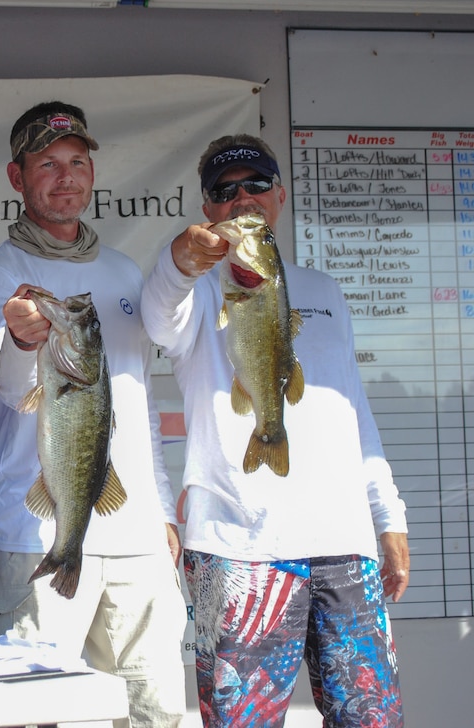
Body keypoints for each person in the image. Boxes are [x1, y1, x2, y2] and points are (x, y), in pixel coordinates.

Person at [140, 133, 409, 726]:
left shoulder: (325, 292)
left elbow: (353, 413)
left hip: (346, 546)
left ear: (279, 196)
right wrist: (179, 262)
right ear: (208, 208)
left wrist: (386, 515)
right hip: (239, 553)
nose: (242, 199)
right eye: (224, 190)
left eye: (256, 185)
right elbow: (159, 315)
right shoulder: (194, 289)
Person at [0, 101, 187, 727]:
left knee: (156, 711)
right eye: (47, 164)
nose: (66, 178)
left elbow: (136, 402)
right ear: (17, 178)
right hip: (34, 534)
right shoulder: (1, 270)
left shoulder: (121, 271)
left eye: (76, 162)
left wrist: (161, 507)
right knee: (38, 715)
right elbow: (4, 396)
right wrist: (19, 340)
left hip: (135, 538)